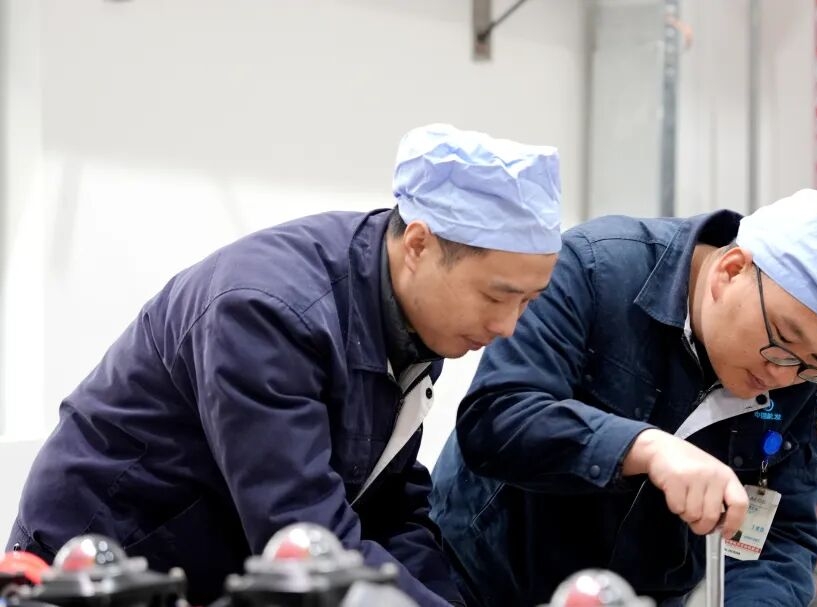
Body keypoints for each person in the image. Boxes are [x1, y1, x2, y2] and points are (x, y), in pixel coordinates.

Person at [7, 124, 563, 607]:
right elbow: (305, 533)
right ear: (418, 245)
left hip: (218, 560)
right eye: (496, 296)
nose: (507, 326)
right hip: (102, 564)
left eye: (528, 302)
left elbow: (390, 507)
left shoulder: (415, 318)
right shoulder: (266, 314)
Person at [430, 189, 817, 606]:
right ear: (731, 270)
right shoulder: (596, 269)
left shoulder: (803, 377)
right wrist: (644, 448)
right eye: (783, 342)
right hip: (478, 583)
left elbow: (779, 536)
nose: (783, 375)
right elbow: (497, 418)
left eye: (816, 362)